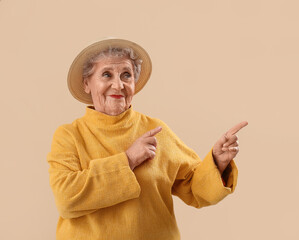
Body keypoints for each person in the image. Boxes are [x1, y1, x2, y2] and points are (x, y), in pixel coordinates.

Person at [47, 38, 248, 240]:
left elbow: (195, 189)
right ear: (86, 83)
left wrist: (217, 161)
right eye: (106, 74)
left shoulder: (156, 130)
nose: (117, 85)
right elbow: (66, 198)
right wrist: (128, 160)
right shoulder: (69, 135)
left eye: (126, 75)